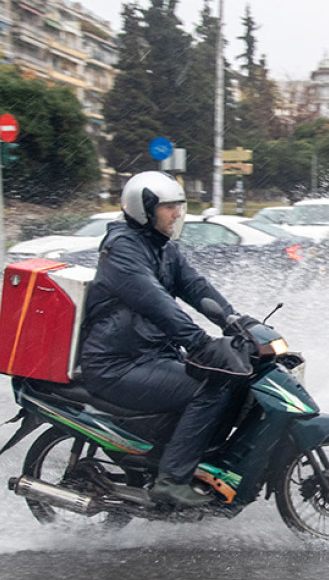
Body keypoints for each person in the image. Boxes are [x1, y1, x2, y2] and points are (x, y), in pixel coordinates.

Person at [78, 171, 251, 507]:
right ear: (143, 210)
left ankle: (196, 463)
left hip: (150, 355)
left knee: (237, 379)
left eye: (178, 206)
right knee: (210, 386)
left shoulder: (162, 247)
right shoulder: (123, 250)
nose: (176, 214)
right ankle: (171, 480)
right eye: (169, 207)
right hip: (117, 364)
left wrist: (235, 321)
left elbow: (195, 287)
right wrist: (200, 342)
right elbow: (154, 301)